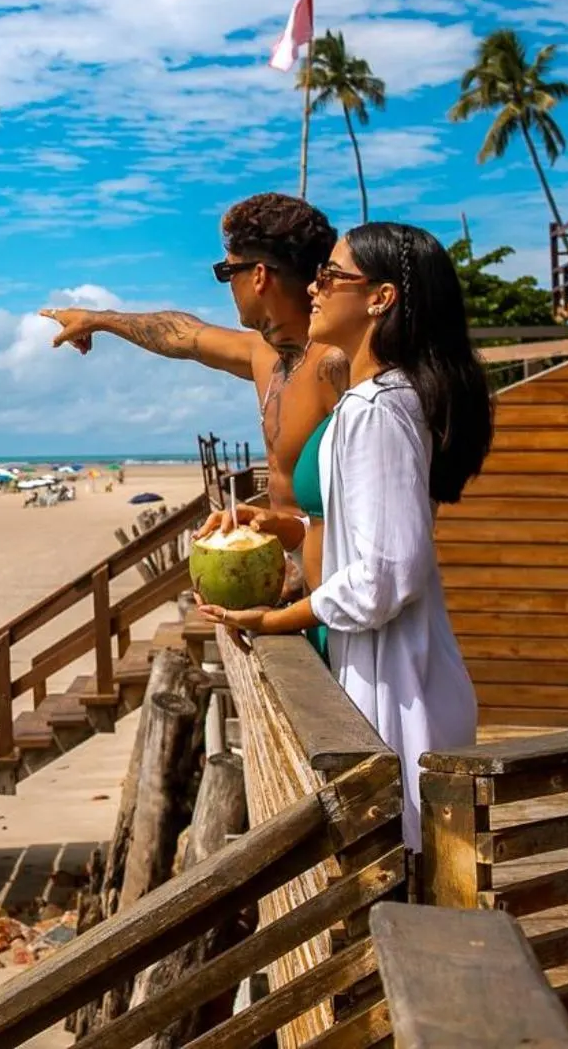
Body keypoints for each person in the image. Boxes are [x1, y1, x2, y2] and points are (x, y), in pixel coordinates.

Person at [194, 223, 491, 852]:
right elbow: (371, 537)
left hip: (397, 691)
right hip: (406, 674)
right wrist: (282, 525)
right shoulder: (387, 398)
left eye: (332, 275)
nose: (316, 288)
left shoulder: (376, 409)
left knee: (402, 876)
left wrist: (276, 621)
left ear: (380, 299)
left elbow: (386, 575)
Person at [41, 193, 347, 595]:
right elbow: (183, 335)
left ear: (258, 276)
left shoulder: (337, 363)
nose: (228, 286)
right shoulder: (264, 353)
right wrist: (99, 320)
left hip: (337, 598)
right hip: (286, 585)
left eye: (226, 271)